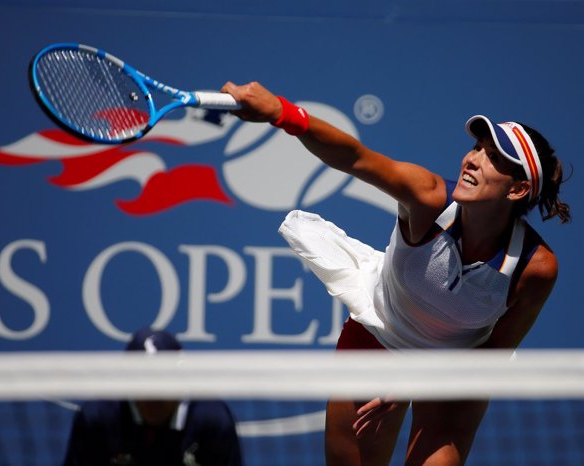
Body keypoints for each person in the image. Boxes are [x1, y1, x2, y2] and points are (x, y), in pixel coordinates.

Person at [220, 81, 570, 466]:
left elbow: (494, 354)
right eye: (476, 148)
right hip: (379, 335)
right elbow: (355, 157)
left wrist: (417, 381)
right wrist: (280, 112)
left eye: (493, 158)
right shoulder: (426, 197)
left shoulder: (535, 267)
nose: (472, 159)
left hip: (455, 371)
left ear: (518, 190)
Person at [63, 328, 244, 466]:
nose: (154, 396)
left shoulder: (213, 420)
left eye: (163, 382)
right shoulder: (97, 418)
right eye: (144, 383)